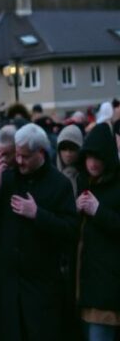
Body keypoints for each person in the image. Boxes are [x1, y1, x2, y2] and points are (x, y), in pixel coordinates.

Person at [0, 123, 78, 340]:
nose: (19, 161)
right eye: (17, 154)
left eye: (25, 156)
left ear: (41, 153)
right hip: (8, 292)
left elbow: (70, 230)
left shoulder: (59, 184)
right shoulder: (7, 178)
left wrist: (38, 214)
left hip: (41, 293)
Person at [74, 123, 120, 341]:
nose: (92, 163)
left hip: (107, 286)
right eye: (89, 156)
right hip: (84, 283)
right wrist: (74, 210)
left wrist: (98, 211)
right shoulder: (83, 182)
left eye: (98, 157)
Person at [56, 124, 84, 195]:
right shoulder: (51, 177)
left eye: (72, 149)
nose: (68, 154)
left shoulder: (86, 178)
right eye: (64, 149)